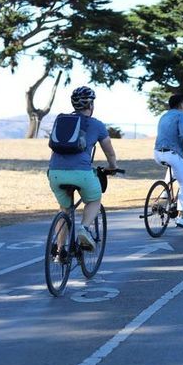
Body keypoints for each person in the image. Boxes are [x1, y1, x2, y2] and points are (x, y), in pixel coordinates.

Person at [47, 86, 119, 249]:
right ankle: (84, 229)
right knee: (94, 199)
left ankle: (59, 251)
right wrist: (112, 167)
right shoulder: (97, 125)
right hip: (81, 173)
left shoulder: (61, 121)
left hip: (55, 173)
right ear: (91, 105)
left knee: (64, 209)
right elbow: (110, 152)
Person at [153, 94, 183, 229]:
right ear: (181, 104)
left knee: (172, 169)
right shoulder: (182, 116)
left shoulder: (164, 116)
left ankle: (164, 198)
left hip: (158, 153)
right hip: (172, 153)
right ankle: (180, 217)